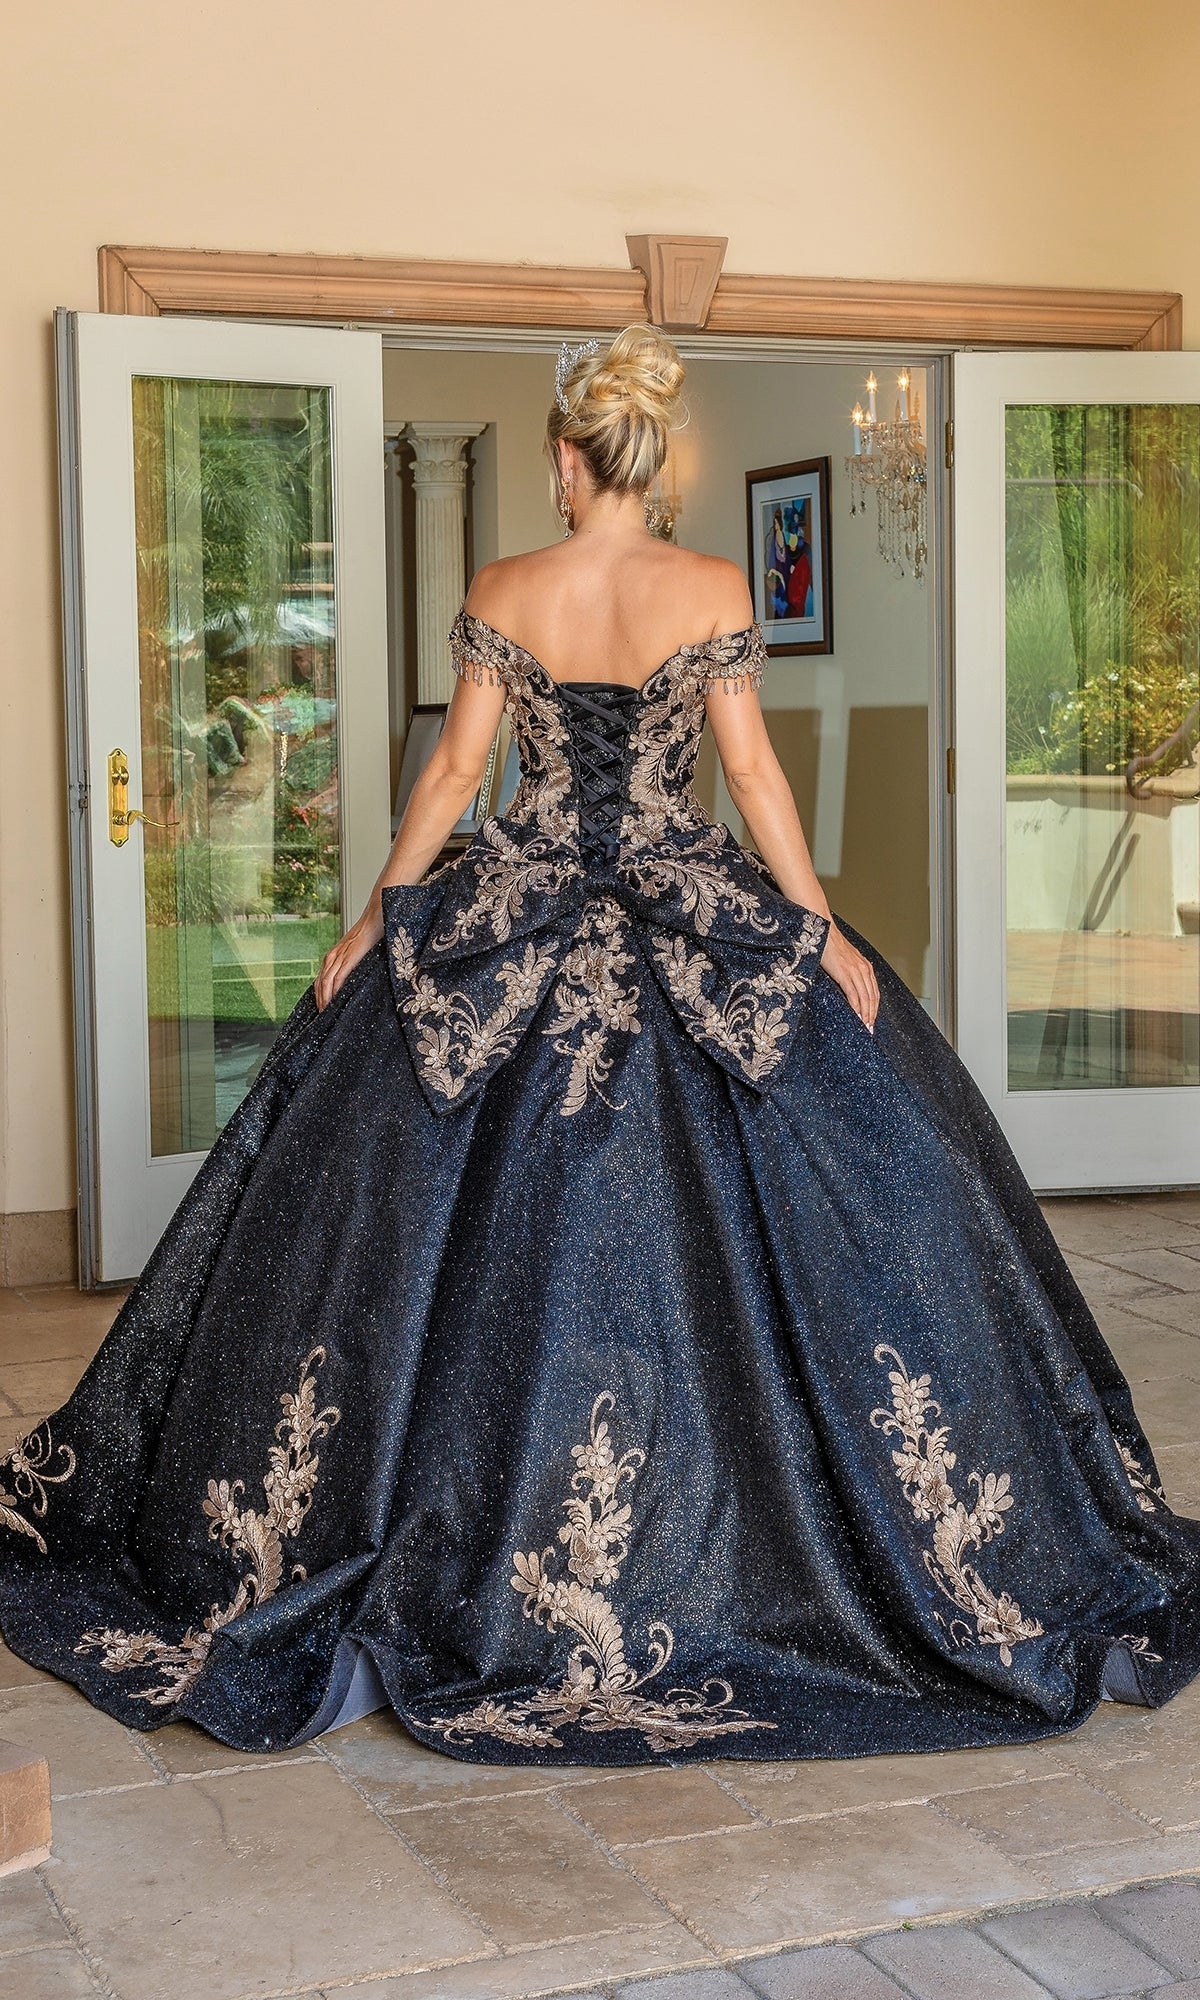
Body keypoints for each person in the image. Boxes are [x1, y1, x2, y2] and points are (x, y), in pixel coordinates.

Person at [0, 325, 1197, 1765]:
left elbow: (457, 770)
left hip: (516, 907)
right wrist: (811, 940)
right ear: (651, 458)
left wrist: (383, 919)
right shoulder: (704, 588)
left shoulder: (510, 585)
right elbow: (749, 774)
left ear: (571, 458)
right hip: (694, 908)